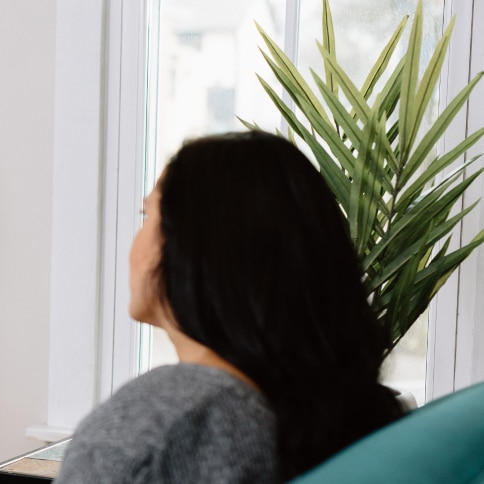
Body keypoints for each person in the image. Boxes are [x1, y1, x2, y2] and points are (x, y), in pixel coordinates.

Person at [55, 131, 403, 483]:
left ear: (192, 249)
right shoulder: (326, 423)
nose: (136, 239)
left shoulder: (176, 416)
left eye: (148, 216)